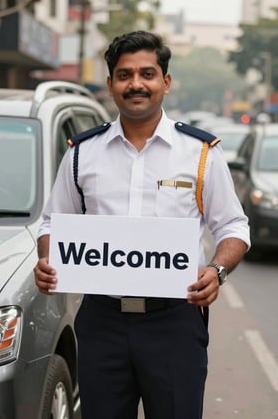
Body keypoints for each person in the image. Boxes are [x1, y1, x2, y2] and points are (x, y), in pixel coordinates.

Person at [34, 30, 250, 419]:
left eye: (147, 74)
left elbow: (234, 225)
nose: (136, 84)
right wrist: (48, 261)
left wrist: (217, 271)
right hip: (102, 322)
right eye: (125, 75)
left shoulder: (200, 154)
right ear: (111, 85)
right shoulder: (83, 154)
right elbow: (53, 221)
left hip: (175, 321)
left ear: (165, 83)